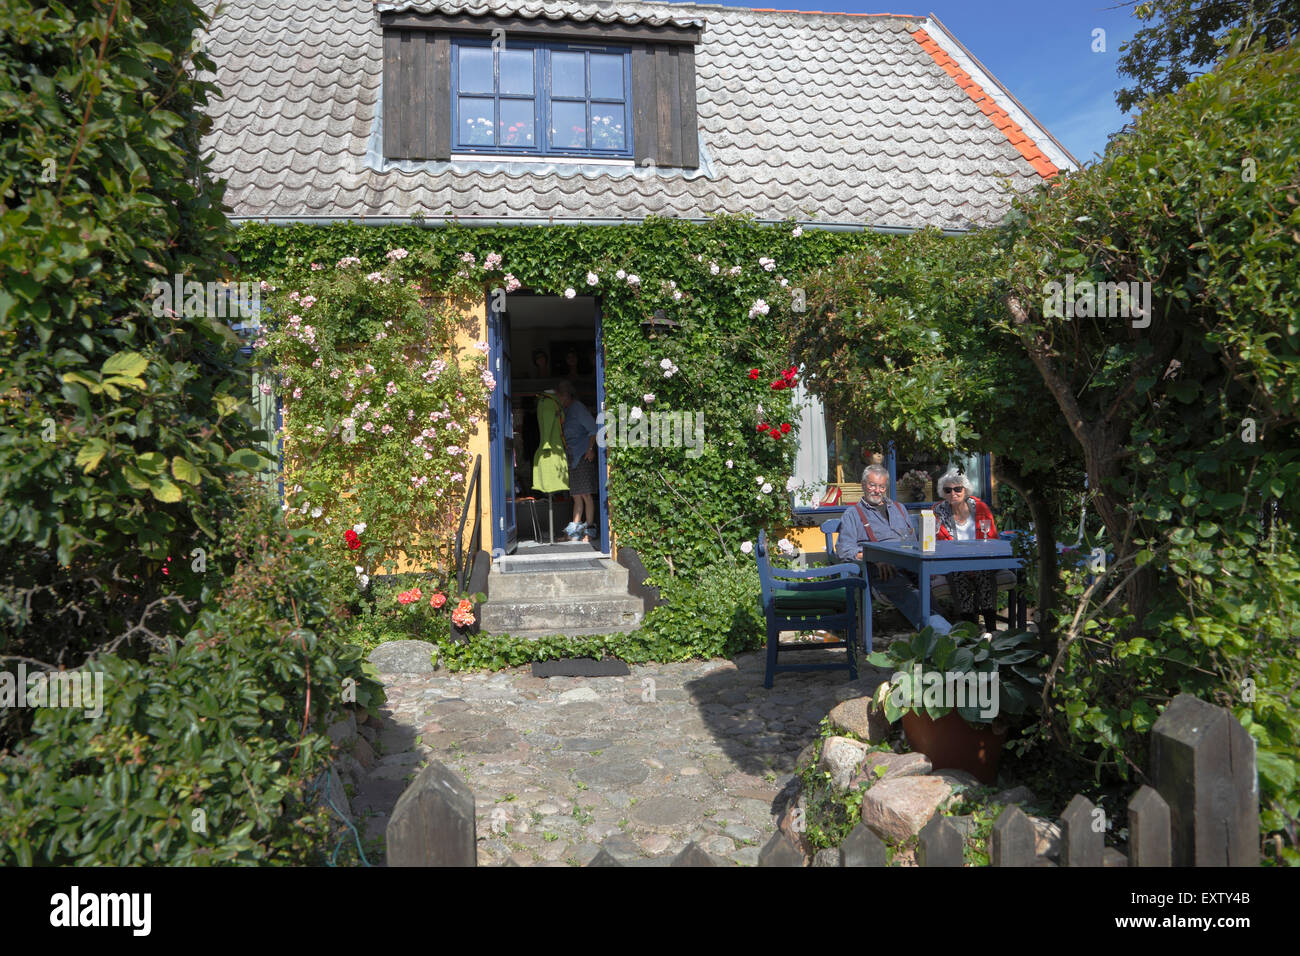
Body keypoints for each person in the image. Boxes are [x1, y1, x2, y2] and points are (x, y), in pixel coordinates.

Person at [834, 464, 952, 634]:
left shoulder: (899, 508)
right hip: (881, 570)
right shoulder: (853, 514)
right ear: (863, 485)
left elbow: (912, 541)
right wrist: (873, 558)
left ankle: (940, 640)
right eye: (872, 485)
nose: (877, 490)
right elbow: (845, 550)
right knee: (914, 597)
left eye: (882, 486)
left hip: (910, 565)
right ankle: (951, 638)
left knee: (927, 593)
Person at [933, 469, 999, 631]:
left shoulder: (980, 508)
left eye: (958, 489)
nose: (953, 493)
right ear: (943, 493)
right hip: (953, 562)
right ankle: (969, 629)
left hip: (980, 559)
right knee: (958, 575)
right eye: (948, 490)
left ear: (965, 491)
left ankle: (991, 629)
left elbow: (992, 537)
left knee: (983, 573)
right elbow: (936, 542)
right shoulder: (937, 513)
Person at [555, 380, 598, 543]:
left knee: (586, 495)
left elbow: (593, 429)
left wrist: (590, 449)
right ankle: (573, 533)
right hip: (572, 456)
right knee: (576, 496)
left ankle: (589, 532)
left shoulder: (578, 408)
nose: (560, 400)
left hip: (583, 455)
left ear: (567, 395)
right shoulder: (566, 411)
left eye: (560, 396)